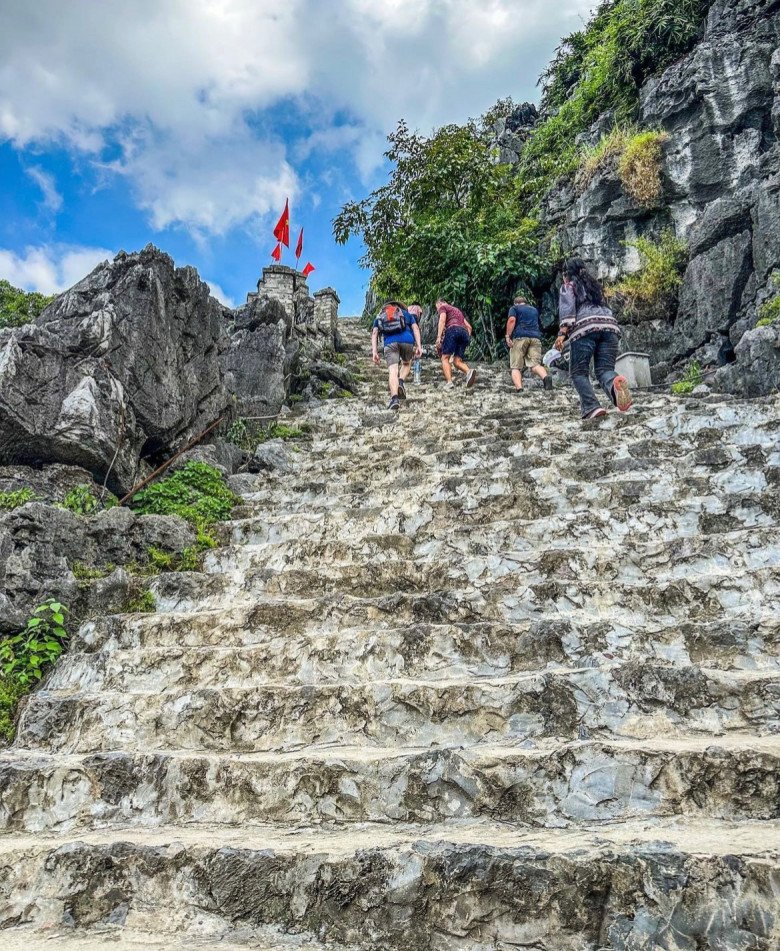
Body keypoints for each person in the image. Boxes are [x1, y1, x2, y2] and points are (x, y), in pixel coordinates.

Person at [554, 258, 632, 420]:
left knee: (578, 372)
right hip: (610, 328)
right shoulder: (594, 287)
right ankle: (616, 390)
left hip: (585, 329)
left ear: (566, 274)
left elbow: (568, 311)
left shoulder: (569, 286)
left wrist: (562, 334)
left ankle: (591, 407)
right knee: (604, 370)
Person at [372, 300, 422, 411]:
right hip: (407, 341)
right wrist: (419, 346)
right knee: (406, 363)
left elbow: (375, 332)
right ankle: (400, 382)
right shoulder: (406, 314)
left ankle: (394, 399)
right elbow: (416, 329)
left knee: (393, 371)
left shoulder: (380, 315)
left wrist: (374, 352)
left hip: (390, 343)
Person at [505, 295, 552, 393]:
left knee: (515, 366)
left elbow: (512, 320)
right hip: (535, 338)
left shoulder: (514, 308)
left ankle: (520, 389)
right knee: (535, 365)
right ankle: (546, 379)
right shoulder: (534, 310)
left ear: (516, 303)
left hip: (520, 337)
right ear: (525, 302)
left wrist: (508, 336)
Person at [435, 299, 477, 389]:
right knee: (456, 361)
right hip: (464, 333)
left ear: (440, 303)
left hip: (453, 330)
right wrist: (467, 339)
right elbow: (469, 327)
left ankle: (449, 382)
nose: (437, 310)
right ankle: (469, 371)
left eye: (437, 308)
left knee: (445, 358)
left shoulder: (443, 307)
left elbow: (442, 320)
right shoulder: (458, 311)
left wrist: (439, 337)